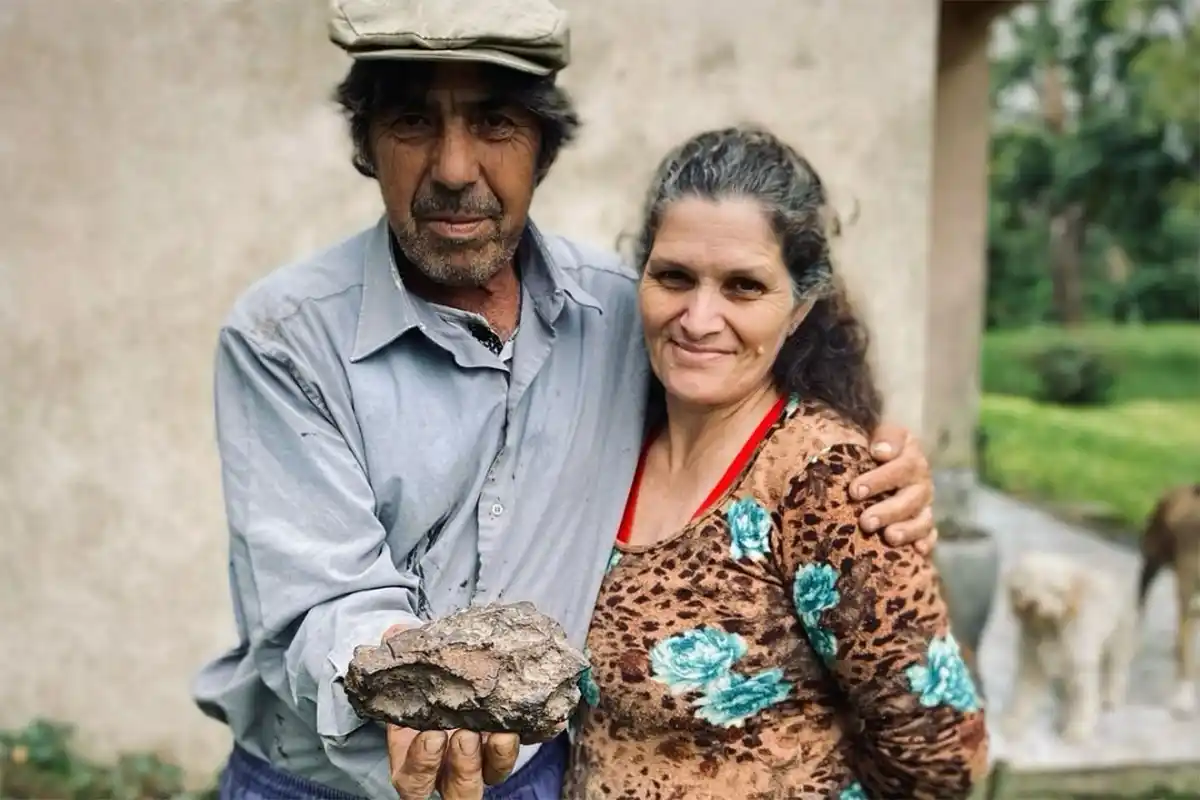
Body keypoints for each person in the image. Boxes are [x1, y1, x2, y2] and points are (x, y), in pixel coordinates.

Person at [192, 1, 941, 798]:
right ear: (367, 145)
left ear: (544, 147)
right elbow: (322, 599)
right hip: (317, 786)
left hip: (536, 780)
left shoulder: (630, 314)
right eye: (413, 121)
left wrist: (877, 461)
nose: (453, 168)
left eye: (495, 123)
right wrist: (418, 691)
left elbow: (753, 396)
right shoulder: (284, 336)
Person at [562, 128, 989, 799]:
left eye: (743, 287)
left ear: (799, 309)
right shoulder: (611, 442)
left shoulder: (824, 483)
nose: (699, 318)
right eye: (674, 277)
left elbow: (940, 750)